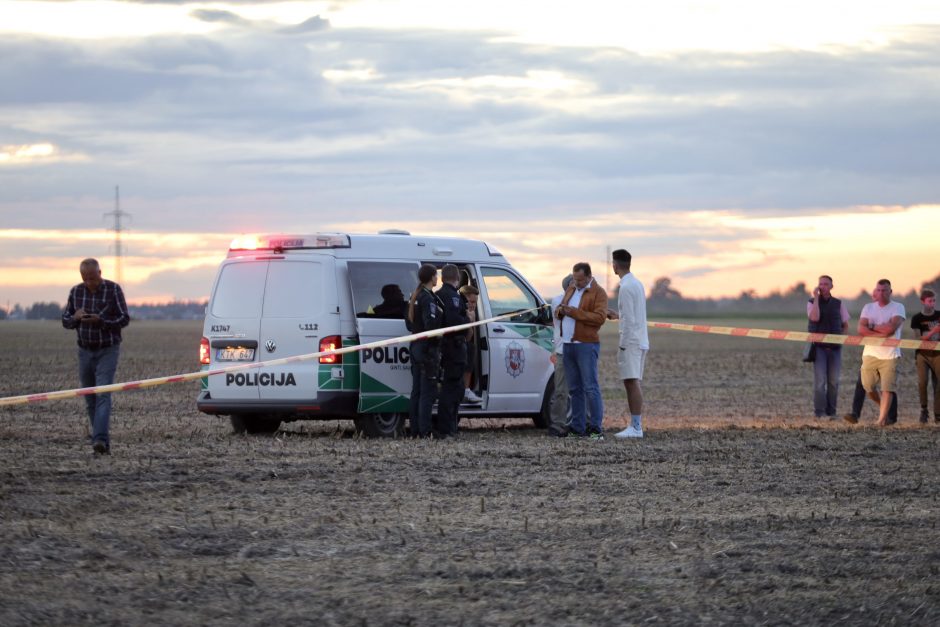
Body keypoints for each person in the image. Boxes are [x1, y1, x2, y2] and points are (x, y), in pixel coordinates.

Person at [61, 258, 130, 455]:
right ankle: (101, 443)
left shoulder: (113, 289)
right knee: (89, 397)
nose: (89, 281)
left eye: (92, 277)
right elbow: (65, 321)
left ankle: (99, 439)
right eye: (85, 278)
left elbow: (124, 318)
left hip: (108, 349)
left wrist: (101, 321)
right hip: (84, 350)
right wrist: (75, 318)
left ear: (100, 273)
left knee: (103, 394)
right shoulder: (76, 292)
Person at [555, 262, 608, 440]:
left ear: (588, 276)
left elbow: (600, 318)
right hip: (568, 344)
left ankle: (595, 428)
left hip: (586, 344)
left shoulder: (598, 293)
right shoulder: (571, 288)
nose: (575, 282)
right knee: (574, 389)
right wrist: (561, 311)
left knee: (590, 388)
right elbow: (561, 309)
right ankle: (577, 427)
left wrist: (575, 313)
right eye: (574, 279)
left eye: (579, 279)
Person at [853, 279, 906, 427]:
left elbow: (891, 329)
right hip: (870, 353)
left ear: (890, 291)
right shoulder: (868, 308)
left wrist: (872, 327)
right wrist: (881, 331)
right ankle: (883, 405)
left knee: (887, 388)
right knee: (868, 387)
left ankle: (881, 420)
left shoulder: (898, 307)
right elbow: (861, 330)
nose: (881, 293)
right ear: (875, 291)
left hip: (890, 355)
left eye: (884, 290)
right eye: (879, 290)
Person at [608, 249, 649, 439]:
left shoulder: (625, 287)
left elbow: (630, 321)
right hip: (640, 339)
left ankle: (636, 427)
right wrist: (618, 316)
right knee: (633, 381)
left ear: (615, 265)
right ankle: (636, 425)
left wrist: (623, 344)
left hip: (631, 341)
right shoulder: (637, 284)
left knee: (631, 381)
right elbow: (632, 314)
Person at [806, 275, 850, 419]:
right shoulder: (811, 302)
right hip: (819, 348)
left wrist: (839, 340)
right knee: (820, 382)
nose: (823, 286)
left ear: (831, 286)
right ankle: (819, 412)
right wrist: (816, 298)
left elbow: (845, 325)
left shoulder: (839, 304)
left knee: (833, 382)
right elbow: (814, 318)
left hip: (835, 349)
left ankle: (832, 412)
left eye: (826, 284)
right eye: (821, 284)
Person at [407, 264, 443, 437]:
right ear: (432, 278)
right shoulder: (427, 298)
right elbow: (431, 326)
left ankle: (415, 430)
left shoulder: (416, 296)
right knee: (427, 393)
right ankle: (425, 431)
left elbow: (409, 323)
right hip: (426, 349)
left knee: (416, 391)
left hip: (415, 346)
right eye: (436, 275)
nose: (438, 278)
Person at [435, 264, 470, 437]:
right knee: (452, 389)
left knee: (450, 388)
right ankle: (447, 429)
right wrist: (468, 318)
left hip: (444, 347)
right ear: (457, 279)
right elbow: (455, 322)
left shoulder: (437, 295)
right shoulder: (453, 297)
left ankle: (449, 428)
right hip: (454, 348)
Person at [547, 274, 574, 437]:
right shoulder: (558, 300)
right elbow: (565, 312)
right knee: (561, 390)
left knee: (582, 389)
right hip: (562, 350)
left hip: (578, 349)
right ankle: (558, 424)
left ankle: (582, 422)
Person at [911, 288, 940, 423]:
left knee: (938, 383)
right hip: (922, 354)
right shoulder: (917, 318)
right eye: (930, 301)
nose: (932, 303)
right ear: (923, 301)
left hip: (938, 354)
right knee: (922, 382)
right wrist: (933, 331)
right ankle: (924, 410)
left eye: (934, 300)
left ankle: (938, 413)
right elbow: (918, 339)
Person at [458, 284, 483, 404]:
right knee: (470, 348)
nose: (473, 305)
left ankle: (466, 388)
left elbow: (468, 337)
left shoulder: (471, 313)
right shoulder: (459, 311)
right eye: (471, 301)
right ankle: (466, 390)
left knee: (470, 348)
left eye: (475, 302)